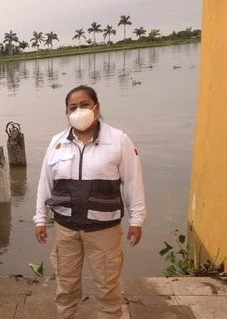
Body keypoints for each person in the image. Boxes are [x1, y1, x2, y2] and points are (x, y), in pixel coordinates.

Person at [33, 85, 146, 319]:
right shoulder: (57, 143)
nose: (78, 110)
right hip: (66, 229)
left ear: (97, 107)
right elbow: (45, 184)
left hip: (104, 230)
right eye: (72, 107)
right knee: (66, 285)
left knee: (108, 287)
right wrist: (40, 219)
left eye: (84, 105)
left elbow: (133, 182)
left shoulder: (118, 140)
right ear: (66, 113)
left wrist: (137, 220)